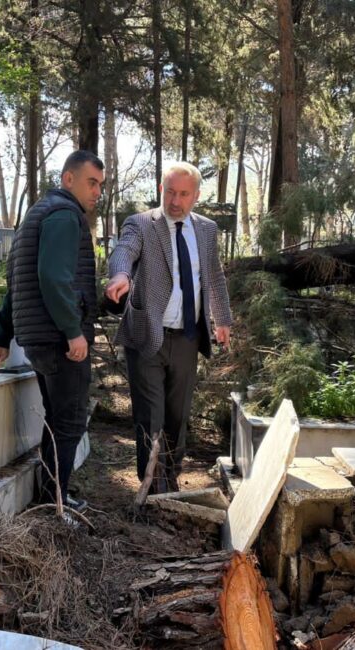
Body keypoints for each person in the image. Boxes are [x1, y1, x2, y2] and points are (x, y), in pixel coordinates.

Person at [0, 150, 104, 512]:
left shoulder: (35, 216)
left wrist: (1, 338)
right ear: (68, 179)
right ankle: (55, 504)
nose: (97, 191)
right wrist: (73, 331)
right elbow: (53, 278)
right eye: (91, 182)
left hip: (38, 337)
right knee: (68, 423)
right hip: (58, 338)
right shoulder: (65, 215)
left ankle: (51, 498)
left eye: (101, 184)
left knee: (58, 420)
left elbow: (15, 285)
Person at [105, 161, 232, 493]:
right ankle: (152, 485)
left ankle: (170, 477)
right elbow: (124, 250)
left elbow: (213, 276)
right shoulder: (142, 223)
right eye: (170, 192)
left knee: (178, 415)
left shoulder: (206, 229)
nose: (176, 201)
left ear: (196, 196)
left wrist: (223, 320)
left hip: (187, 337)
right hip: (148, 333)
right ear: (162, 189)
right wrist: (120, 275)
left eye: (184, 194)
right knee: (150, 415)